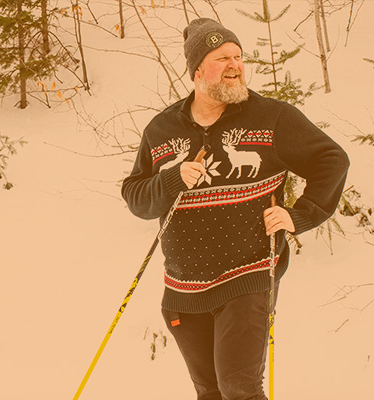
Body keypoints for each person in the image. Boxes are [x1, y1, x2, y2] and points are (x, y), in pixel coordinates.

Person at [121, 17, 349, 400]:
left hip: (249, 272)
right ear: (197, 70)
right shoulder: (162, 130)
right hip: (183, 284)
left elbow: (331, 160)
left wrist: (300, 214)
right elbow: (135, 197)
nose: (235, 65)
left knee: (238, 389)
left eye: (238, 56)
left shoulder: (271, 117)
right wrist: (173, 179)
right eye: (222, 57)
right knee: (209, 391)